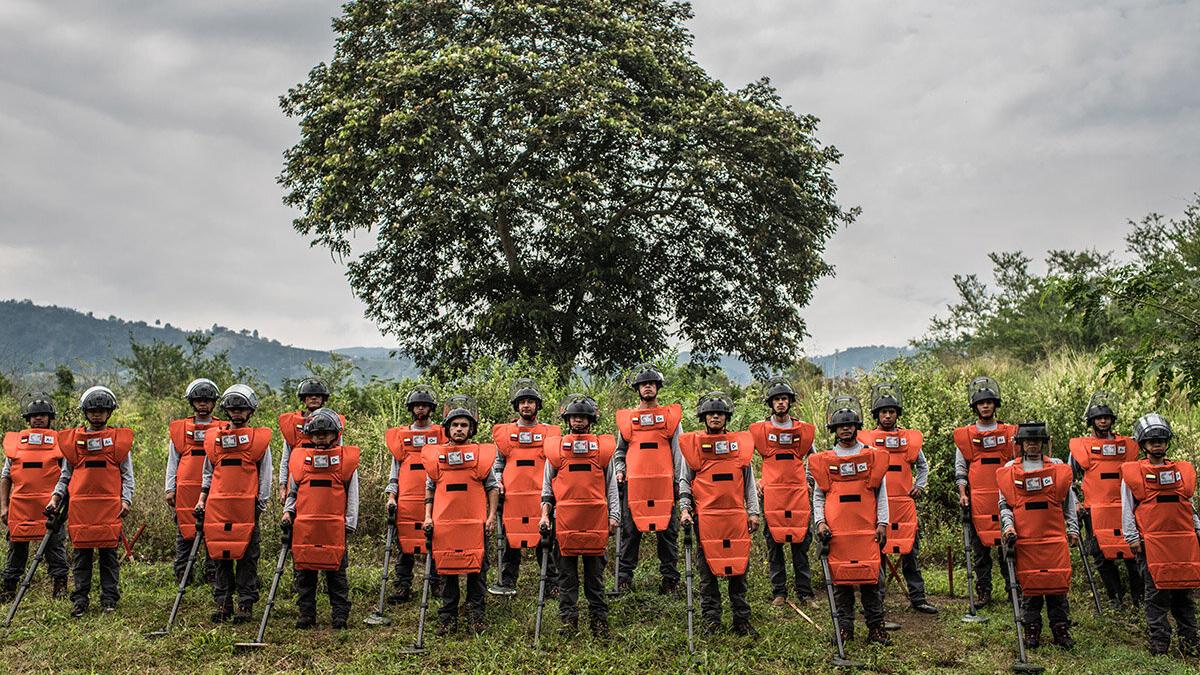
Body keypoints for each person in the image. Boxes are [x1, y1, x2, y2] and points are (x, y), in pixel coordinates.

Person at [809, 396, 891, 646]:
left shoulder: (872, 457)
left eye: (850, 424)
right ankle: (844, 629)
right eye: (841, 425)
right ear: (834, 430)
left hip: (867, 529)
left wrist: (883, 523)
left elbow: (882, 493)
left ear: (857, 427)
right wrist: (820, 523)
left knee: (871, 581)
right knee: (841, 582)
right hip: (836, 532)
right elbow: (818, 496)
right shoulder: (825, 460)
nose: (846, 428)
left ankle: (876, 629)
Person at [46, 386, 134, 617]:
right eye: (92, 410)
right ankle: (80, 599)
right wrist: (55, 498)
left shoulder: (117, 441)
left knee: (108, 557)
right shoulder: (74, 442)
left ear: (109, 413)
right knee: (81, 556)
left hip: (109, 509)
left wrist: (126, 500)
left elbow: (127, 474)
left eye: (102, 410)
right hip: (80, 509)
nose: (97, 415)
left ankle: (109, 599)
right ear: (85, 412)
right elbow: (65, 475)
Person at [678, 392, 761, 638]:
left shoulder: (739, 447)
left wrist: (753, 512)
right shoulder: (693, 447)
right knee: (706, 573)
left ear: (726, 417)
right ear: (704, 417)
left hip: (735, 517)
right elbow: (685, 481)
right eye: (711, 413)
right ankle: (711, 621)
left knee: (738, 570)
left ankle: (741, 620)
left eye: (720, 413)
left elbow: (749, 482)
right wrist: (684, 509)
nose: (715, 416)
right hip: (706, 519)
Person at [1120, 413, 1200, 656]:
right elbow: (1127, 508)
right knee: (1156, 597)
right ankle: (1160, 645)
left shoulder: (1181, 472)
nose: (1157, 444)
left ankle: (1191, 644)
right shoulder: (1134, 474)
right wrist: (1132, 538)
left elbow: (1189, 505)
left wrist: (1198, 528)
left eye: (1161, 440)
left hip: (1183, 544)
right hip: (1150, 545)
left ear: (1167, 443)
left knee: (1184, 597)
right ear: (1143, 444)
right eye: (1152, 440)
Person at [539, 394, 619, 638]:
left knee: (595, 578)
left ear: (591, 419)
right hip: (564, 523)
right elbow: (546, 489)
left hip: (596, 522)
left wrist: (614, 515)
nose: (579, 421)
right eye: (575, 417)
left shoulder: (603, 449)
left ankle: (599, 621)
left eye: (583, 417)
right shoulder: (556, 448)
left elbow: (611, 484)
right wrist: (544, 516)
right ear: (568, 419)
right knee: (567, 577)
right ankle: (568, 622)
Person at [192, 385, 272, 624]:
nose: (237, 413)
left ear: (250, 411)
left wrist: (261, 503)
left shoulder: (258, 440)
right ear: (226, 410)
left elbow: (265, 474)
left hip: (247, 506)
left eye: (242, 409)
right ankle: (222, 602)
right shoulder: (215, 438)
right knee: (221, 554)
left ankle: (245, 603)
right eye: (233, 409)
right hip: (218, 505)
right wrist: (202, 500)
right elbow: (208, 472)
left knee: (247, 556)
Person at [422, 396, 500, 635]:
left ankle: (477, 617)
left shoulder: (480, 455)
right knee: (447, 572)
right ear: (447, 429)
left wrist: (491, 516)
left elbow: (493, 487)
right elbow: (430, 487)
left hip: (474, 524)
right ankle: (448, 618)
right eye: (455, 425)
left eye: (464, 425)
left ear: (471, 429)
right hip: (444, 525)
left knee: (477, 571)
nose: (459, 429)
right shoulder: (436, 456)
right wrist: (427, 516)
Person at [998, 422, 1078, 650]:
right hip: (1025, 538)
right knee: (1030, 588)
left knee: (1057, 586)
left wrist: (1072, 528)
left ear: (1043, 443)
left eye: (1036, 441)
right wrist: (1008, 527)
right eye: (1027, 441)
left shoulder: (1057, 466)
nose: (1032, 444)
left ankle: (1061, 630)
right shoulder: (1010, 469)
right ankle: (1031, 631)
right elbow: (1004, 505)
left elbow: (1068, 500)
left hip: (1054, 537)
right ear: (1021, 444)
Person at [858, 383, 937, 615]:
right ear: (877, 415)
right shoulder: (867, 440)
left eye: (892, 411)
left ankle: (918, 598)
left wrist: (920, 486)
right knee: (877, 553)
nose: (888, 415)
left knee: (910, 551)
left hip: (904, 504)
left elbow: (922, 466)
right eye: (884, 412)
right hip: (878, 507)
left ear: (897, 414)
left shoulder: (909, 439)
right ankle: (876, 600)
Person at [282, 408, 360, 629]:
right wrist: (288, 512)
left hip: (334, 526)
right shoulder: (300, 459)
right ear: (309, 435)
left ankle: (340, 615)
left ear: (335, 435)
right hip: (305, 525)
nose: (320, 438)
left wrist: (350, 522)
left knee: (336, 573)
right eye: (316, 434)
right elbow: (293, 490)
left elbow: (352, 493)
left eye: (325, 434)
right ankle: (306, 614)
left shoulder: (345, 460)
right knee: (305, 573)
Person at [1068, 391, 1142, 610]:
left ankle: (1138, 598)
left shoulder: (1127, 446)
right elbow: (1068, 479)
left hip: (1124, 508)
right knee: (1100, 554)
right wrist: (1077, 503)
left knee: (1132, 552)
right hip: (1095, 509)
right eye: (1099, 418)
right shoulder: (1082, 448)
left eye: (1106, 418)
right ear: (1092, 422)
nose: (1103, 421)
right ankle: (1114, 597)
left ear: (1112, 420)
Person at [614, 363, 684, 594]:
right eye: (644, 384)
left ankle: (670, 580)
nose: (648, 387)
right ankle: (624, 579)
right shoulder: (627, 420)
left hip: (664, 485)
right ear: (637, 388)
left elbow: (679, 452)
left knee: (667, 533)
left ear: (658, 387)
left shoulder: (670, 418)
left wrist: (679, 481)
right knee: (630, 532)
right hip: (635, 485)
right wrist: (620, 470)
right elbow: (619, 452)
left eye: (652, 384)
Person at [749, 378, 818, 607]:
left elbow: (814, 458)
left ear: (790, 402)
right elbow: (744, 458)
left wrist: (808, 479)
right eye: (777, 399)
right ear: (771, 403)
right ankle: (779, 592)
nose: (781, 403)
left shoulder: (802, 429)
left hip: (797, 494)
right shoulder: (760, 429)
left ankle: (805, 593)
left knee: (801, 543)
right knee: (774, 543)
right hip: (772, 495)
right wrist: (756, 481)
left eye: (784, 399)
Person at [953, 376, 1019, 607]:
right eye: (981, 403)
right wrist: (963, 493)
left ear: (995, 404)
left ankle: (1014, 589)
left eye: (990, 402)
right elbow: (961, 466)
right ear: (975, 406)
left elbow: (1016, 463)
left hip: (1004, 496)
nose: (986, 406)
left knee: (1007, 545)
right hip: (977, 497)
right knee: (980, 549)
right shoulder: (967, 435)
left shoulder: (1009, 432)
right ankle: (984, 592)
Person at [490, 377, 558, 594]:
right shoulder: (505, 434)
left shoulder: (550, 433)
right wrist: (498, 481)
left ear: (537, 405)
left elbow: (555, 463)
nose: (526, 405)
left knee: (545, 538)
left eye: (530, 401)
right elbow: (498, 462)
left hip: (541, 496)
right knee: (511, 540)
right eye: (522, 402)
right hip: (512, 496)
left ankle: (551, 584)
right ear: (517, 406)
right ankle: (507, 582)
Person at [1, 394, 69, 601]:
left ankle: (60, 588)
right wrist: (3, 507)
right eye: (34, 416)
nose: (38, 419)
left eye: (43, 415)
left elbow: (66, 476)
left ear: (50, 418)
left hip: (50, 507)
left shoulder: (61, 443)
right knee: (16, 549)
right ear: (28, 419)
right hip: (20, 506)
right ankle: (9, 589)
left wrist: (61, 503)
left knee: (55, 548)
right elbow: (5, 476)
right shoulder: (15, 445)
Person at [384, 385, 446, 603]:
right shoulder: (401, 436)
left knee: (436, 540)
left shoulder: (441, 433)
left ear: (431, 409)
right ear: (411, 408)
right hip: (407, 498)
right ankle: (402, 586)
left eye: (425, 406)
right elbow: (395, 470)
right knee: (405, 544)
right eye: (417, 405)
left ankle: (437, 584)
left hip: (435, 498)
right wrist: (392, 496)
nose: (421, 409)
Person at [164, 378, 225, 585]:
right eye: (198, 400)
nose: (203, 404)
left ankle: (212, 577)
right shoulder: (181, 429)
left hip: (214, 491)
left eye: (207, 400)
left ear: (214, 402)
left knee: (212, 534)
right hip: (185, 491)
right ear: (192, 402)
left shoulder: (223, 428)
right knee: (184, 534)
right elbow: (173, 461)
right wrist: (169, 489)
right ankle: (183, 577)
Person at [277, 378, 344, 504]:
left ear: (323, 399)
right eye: (309, 395)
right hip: (296, 481)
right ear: (303, 399)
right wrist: (282, 486)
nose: (314, 398)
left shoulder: (333, 423)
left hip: (324, 481)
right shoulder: (292, 425)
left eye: (318, 395)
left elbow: (340, 456)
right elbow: (285, 459)